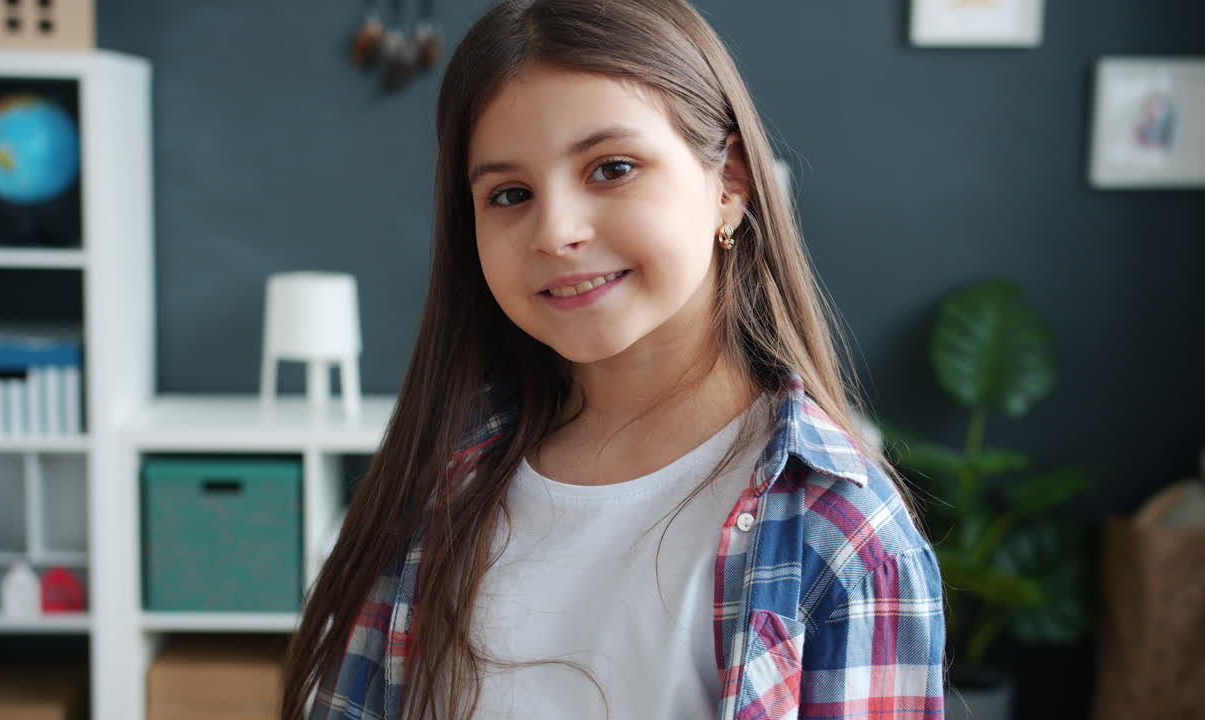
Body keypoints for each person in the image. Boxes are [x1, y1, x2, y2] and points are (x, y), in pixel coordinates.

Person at [283, 0, 946, 717]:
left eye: (612, 168)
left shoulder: (844, 533)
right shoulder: (441, 486)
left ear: (729, 186)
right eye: (509, 194)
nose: (556, 230)